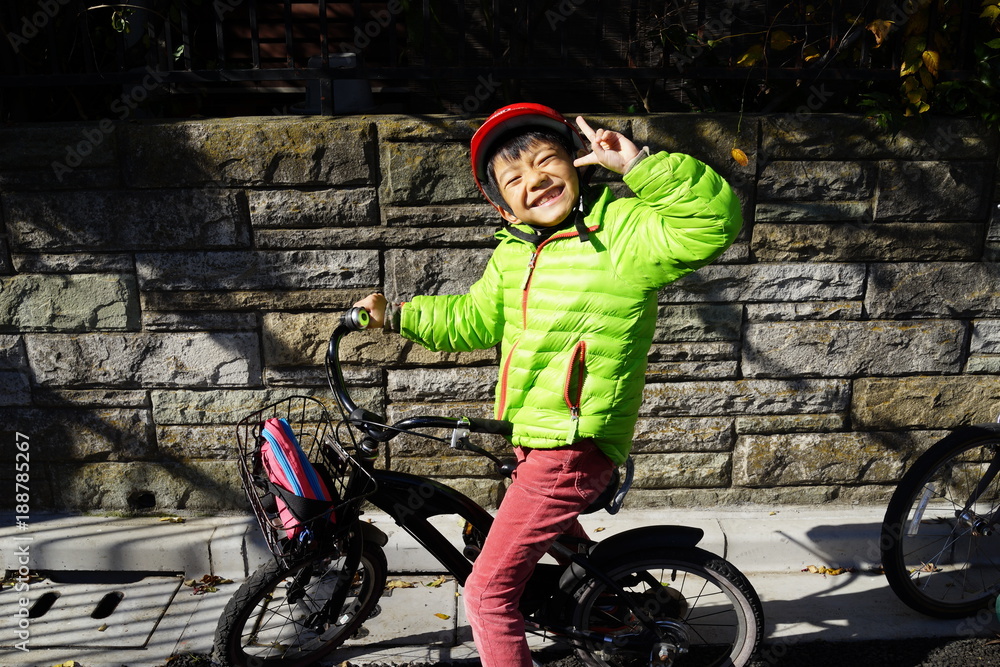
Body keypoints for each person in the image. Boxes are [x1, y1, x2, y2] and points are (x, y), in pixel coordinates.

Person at [353, 103, 742, 667]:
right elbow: (472, 319)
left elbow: (712, 221)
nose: (533, 181)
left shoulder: (625, 232)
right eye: (514, 179)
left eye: (545, 162)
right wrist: (400, 315)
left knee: (487, 594)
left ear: (576, 165)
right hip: (535, 437)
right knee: (548, 547)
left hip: (573, 444)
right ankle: (626, 602)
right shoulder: (514, 252)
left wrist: (639, 165)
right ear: (500, 199)